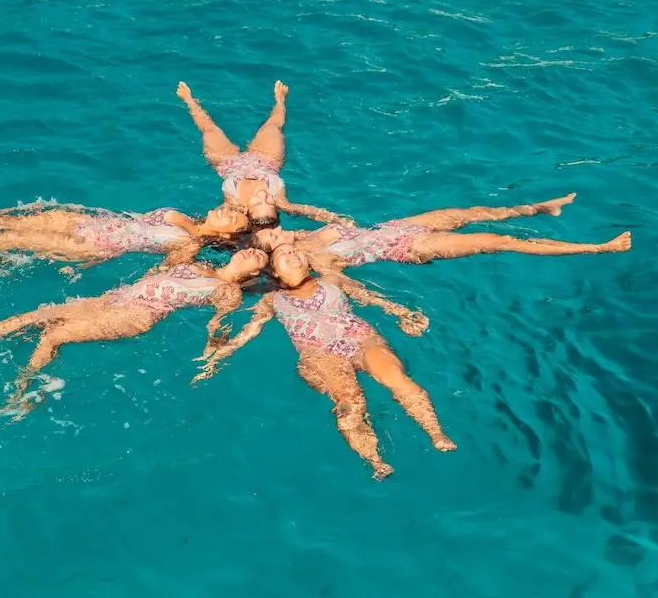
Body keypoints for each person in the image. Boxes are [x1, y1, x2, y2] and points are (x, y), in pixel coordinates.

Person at [192, 243, 451, 480]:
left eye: (294, 251)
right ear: (276, 273)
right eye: (283, 255)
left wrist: (404, 314)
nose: (291, 254)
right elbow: (251, 330)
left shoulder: (333, 280)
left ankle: (436, 433)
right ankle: (374, 459)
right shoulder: (270, 300)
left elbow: (371, 298)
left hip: (362, 340)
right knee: (350, 400)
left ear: (307, 261)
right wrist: (219, 355)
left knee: (396, 377)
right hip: (320, 353)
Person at [0, 248, 269, 419]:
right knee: (35, 316)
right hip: (115, 299)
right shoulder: (199, 263)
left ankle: (24, 390)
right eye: (254, 249)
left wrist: (212, 359)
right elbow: (157, 270)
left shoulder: (229, 293)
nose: (255, 253)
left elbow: (217, 327)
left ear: (252, 274)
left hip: (138, 315)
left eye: (260, 260)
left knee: (53, 337)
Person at [249, 193, 632, 271]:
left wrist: (289, 206)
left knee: (469, 212)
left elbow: (343, 218)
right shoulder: (310, 259)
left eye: (273, 233)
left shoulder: (306, 235)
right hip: (411, 245)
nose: (279, 236)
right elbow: (340, 282)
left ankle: (540, 207)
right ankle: (598, 248)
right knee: (499, 242)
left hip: (396, 226)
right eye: (272, 242)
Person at [176, 80, 352, 228]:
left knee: (210, 130)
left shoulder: (233, 204)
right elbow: (307, 210)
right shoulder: (281, 201)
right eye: (269, 203)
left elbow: (207, 221)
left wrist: (190, 226)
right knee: (272, 127)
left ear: (246, 211)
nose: (264, 197)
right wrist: (338, 220)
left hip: (227, 163)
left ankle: (189, 101)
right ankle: (280, 101)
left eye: (258, 203)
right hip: (266, 160)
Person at [0, 197, 251, 273]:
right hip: (91, 224)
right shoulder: (188, 220)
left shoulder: (189, 243)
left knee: (9, 242)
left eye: (232, 218)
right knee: (22, 221)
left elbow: (163, 271)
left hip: (92, 243)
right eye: (230, 208)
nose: (226, 210)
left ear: (228, 236)